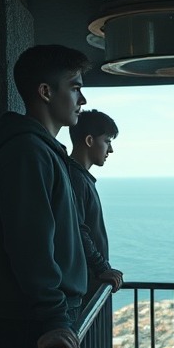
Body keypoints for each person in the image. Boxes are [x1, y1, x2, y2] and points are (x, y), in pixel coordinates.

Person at [0, 44, 91, 348]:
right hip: (35, 324)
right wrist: (54, 319)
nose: (83, 98)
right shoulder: (27, 152)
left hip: (41, 317)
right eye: (75, 87)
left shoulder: (40, 150)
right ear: (46, 92)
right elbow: (31, 245)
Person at [67, 110, 125, 295]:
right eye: (107, 141)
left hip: (86, 282)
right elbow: (78, 229)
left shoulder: (78, 177)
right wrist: (102, 268)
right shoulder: (76, 178)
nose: (111, 150)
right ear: (90, 141)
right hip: (84, 287)